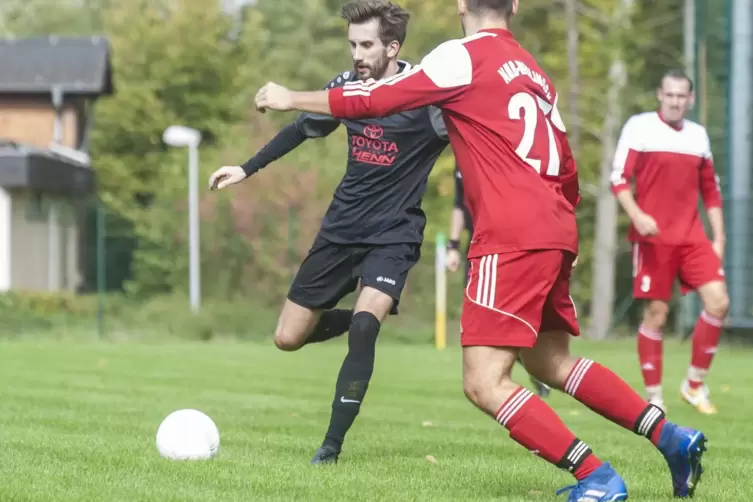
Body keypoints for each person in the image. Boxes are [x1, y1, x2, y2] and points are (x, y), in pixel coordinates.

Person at [253, 0, 708, 499]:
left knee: (484, 382)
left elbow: (374, 100)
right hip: (555, 227)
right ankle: (672, 437)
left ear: (460, 6)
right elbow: (568, 166)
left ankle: (595, 478)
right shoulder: (534, 72)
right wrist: (562, 233)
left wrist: (290, 96)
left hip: (511, 236)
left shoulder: (462, 56)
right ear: (514, 6)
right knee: (550, 363)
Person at [209, 0, 450, 465]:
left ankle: (330, 448)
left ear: (393, 46)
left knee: (363, 326)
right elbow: (302, 130)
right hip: (340, 231)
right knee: (287, 338)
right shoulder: (344, 88)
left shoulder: (426, 97)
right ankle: (364, 320)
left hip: (394, 234)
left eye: (366, 45)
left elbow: (476, 145)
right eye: (352, 45)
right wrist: (246, 168)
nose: (357, 54)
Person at [611, 69, 729, 415]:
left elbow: (711, 191)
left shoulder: (698, 136)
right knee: (657, 314)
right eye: (670, 94)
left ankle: (694, 385)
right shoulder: (639, 127)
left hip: (692, 237)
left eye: (682, 96)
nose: (676, 101)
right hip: (653, 237)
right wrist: (637, 215)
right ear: (659, 96)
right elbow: (618, 179)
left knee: (719, 302)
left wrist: (718, 236)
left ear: (690, 100)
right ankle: (655, 398)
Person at [448, 163, 551, 398]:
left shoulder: (500, 147)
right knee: (481, 319)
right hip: (476, 249)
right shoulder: (461, 157)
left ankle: (533, 367)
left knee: (505, 318)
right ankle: (525, 370)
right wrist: (452, 245)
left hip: (506, 247)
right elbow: (458, 204)